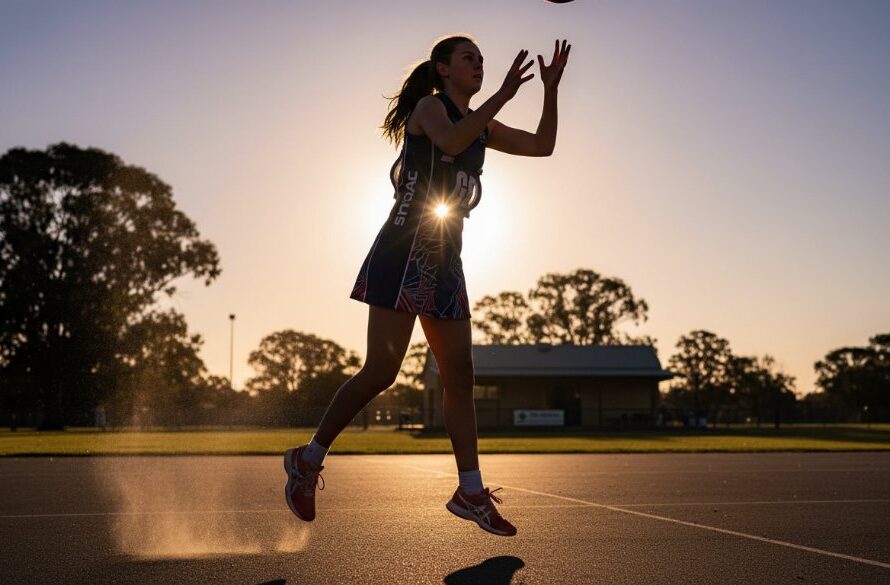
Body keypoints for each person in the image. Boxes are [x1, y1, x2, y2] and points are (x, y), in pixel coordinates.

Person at [284, 34, 571, 537]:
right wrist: (502, 95)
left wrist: (550, 89)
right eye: (469, 58)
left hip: (446, 258)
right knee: (380, 372)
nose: (479, 65)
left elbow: (542, 146)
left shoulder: (480, 125)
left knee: (460, 376)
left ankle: (470, 491)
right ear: (443, 69)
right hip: (404, 249)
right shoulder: (430, 109)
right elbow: (450, 142)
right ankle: (307, 460)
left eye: (482, 60)